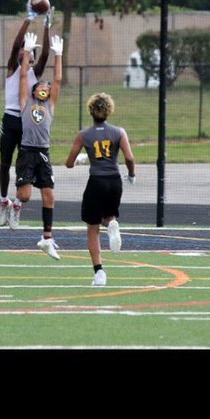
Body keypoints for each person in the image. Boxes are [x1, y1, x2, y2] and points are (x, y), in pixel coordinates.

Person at [65, 93, 136, 287]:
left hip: (96, 181)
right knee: (108, 217)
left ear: (91, 110)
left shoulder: (84, 135)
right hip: (114, 181)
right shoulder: (119, 132)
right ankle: (112, 223)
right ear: (109, 110)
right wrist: (131, 175)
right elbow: (129, 157)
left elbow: (69, 163)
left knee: (92, 229)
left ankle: (99, 273)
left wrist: (82, 158)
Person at [0, 0, 53, 229]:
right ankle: (3, 201)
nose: (30, 54)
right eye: (27, 51)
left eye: (32, 53)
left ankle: (17, 205)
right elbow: (15, 46)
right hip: (10, 119)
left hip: (27, 123)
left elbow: (46, 54)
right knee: (4, 162)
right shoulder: (13, 68)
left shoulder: (34, 72)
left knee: (25, 165)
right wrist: (28, 20)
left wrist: (47, 25)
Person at [15, 30, 63, 259]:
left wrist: (58, 55)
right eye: (41, 85)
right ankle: (16, 202)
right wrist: (26, 53)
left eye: (47, 86)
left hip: (43, 153)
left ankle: (47, 238)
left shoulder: (50, 105)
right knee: (24, 197)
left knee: (49, 196)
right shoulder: (26, 102)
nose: (44, 87)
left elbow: (58, 80)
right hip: (26, 152)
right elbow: (24, 76)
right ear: (35, 91)